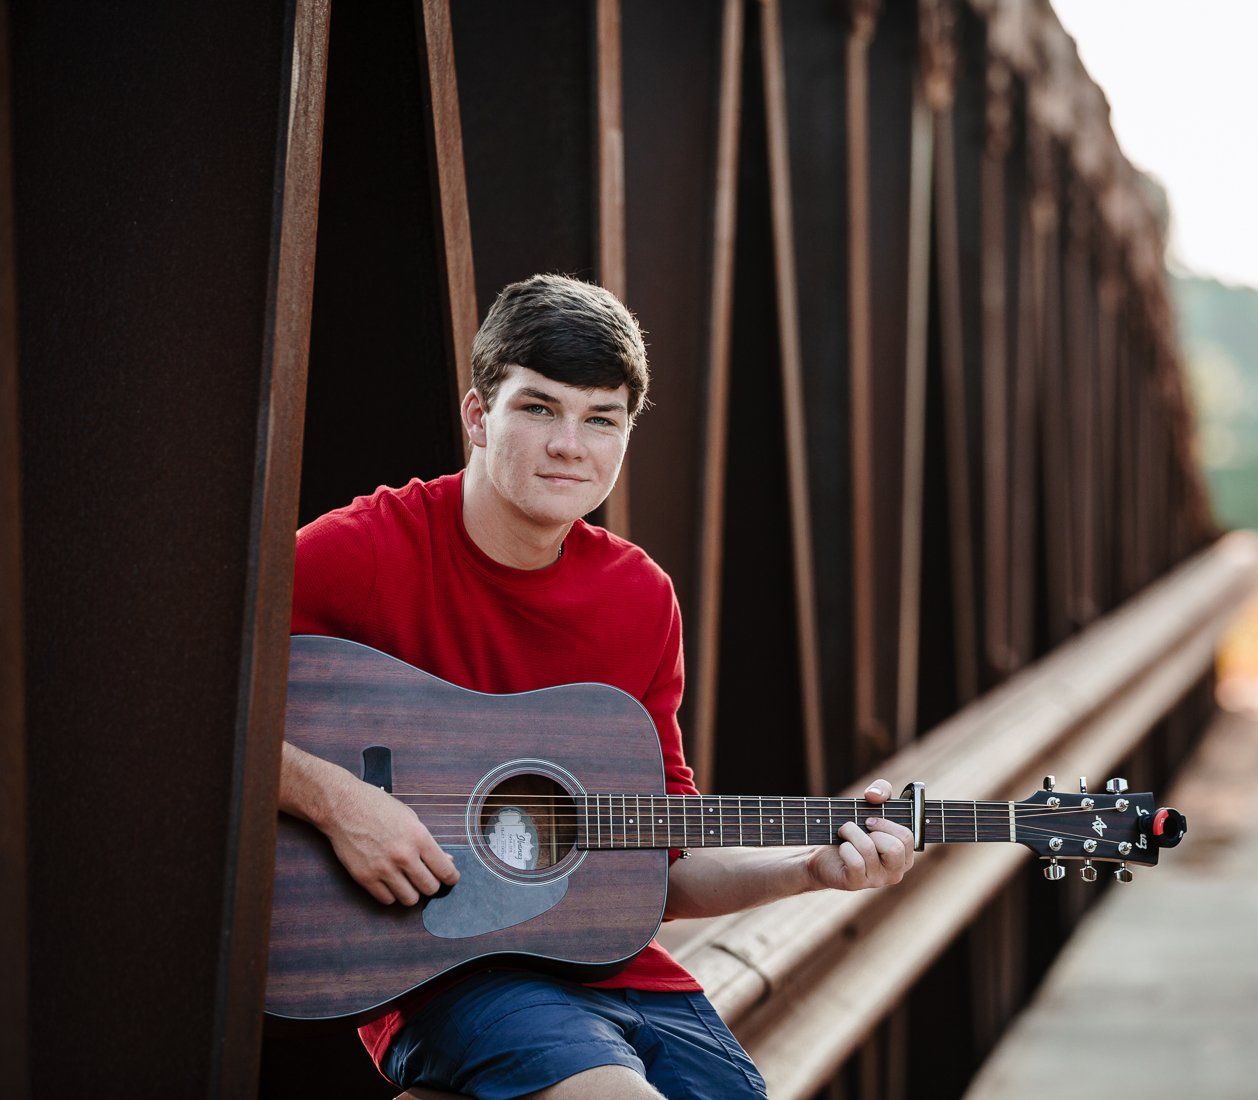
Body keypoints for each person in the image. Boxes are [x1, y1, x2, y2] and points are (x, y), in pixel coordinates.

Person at [279, 274, 917, 1100]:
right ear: (479, 416)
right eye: (538, 409)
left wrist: (810, 871)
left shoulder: (639, 599)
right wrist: (340, 802)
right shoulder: (364, 551)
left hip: (618, 973)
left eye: (600, 419)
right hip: (447, 974)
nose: (568, 445)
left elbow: (665, 866)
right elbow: (195, 707)